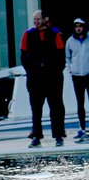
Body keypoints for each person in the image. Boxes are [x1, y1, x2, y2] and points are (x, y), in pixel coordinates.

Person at [20, 9, 67, 147]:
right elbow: (23, 57)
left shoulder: (55, 34)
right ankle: (36, 136)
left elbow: (61, 57)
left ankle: (58, 135)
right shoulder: (27, 35)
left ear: (44, 20)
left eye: (38, 19)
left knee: (56, 106)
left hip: (53, 78)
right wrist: (32, 70)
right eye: (34, 19)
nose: (36, 22)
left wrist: (55, 70)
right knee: (36, 108)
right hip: (35, 79)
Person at [67, 17, 89, 142]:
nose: (78, 28)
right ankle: (82, 128)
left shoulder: (88, 39)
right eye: (76, 26)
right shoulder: (70, 41)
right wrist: (71, 68)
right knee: (80, 103)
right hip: (77, 76)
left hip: (88, 74)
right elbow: (68, 57)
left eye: (80, 26)